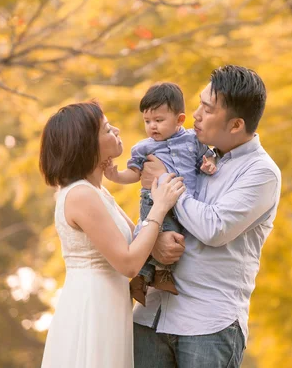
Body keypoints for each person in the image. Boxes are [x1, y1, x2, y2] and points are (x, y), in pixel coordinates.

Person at [133, 65, 282, 368]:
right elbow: (151, 210)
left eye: (208, 108)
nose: (196, 114)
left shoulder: (261, 173)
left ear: (236, 124)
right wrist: (154, 240)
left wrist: (164, 181)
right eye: (200, 102)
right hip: (151, 317)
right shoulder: (193, 153)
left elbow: (213, 227)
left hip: (208, 327)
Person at [38, 101, 185, 368]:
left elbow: (137, 238)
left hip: (109, 304)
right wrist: (161, 205)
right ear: (86, 144)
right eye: (106, 129)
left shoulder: (96, 191)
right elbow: (128, 263)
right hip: (93, 307)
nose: (116, 130)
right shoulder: (81, 194)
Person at [104, 82, 216, 305]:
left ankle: (159, 275)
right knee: (149, 232)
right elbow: (134, 173)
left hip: (183, 201)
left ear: (179, 120)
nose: (152, 127)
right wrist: (116, 177)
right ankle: (141, 278)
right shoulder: (144, 148)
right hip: (152, 199)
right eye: (147, 121)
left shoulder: (193, 140)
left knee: (173, 237)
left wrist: (209, 163)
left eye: (159, 120)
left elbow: (209, 156)